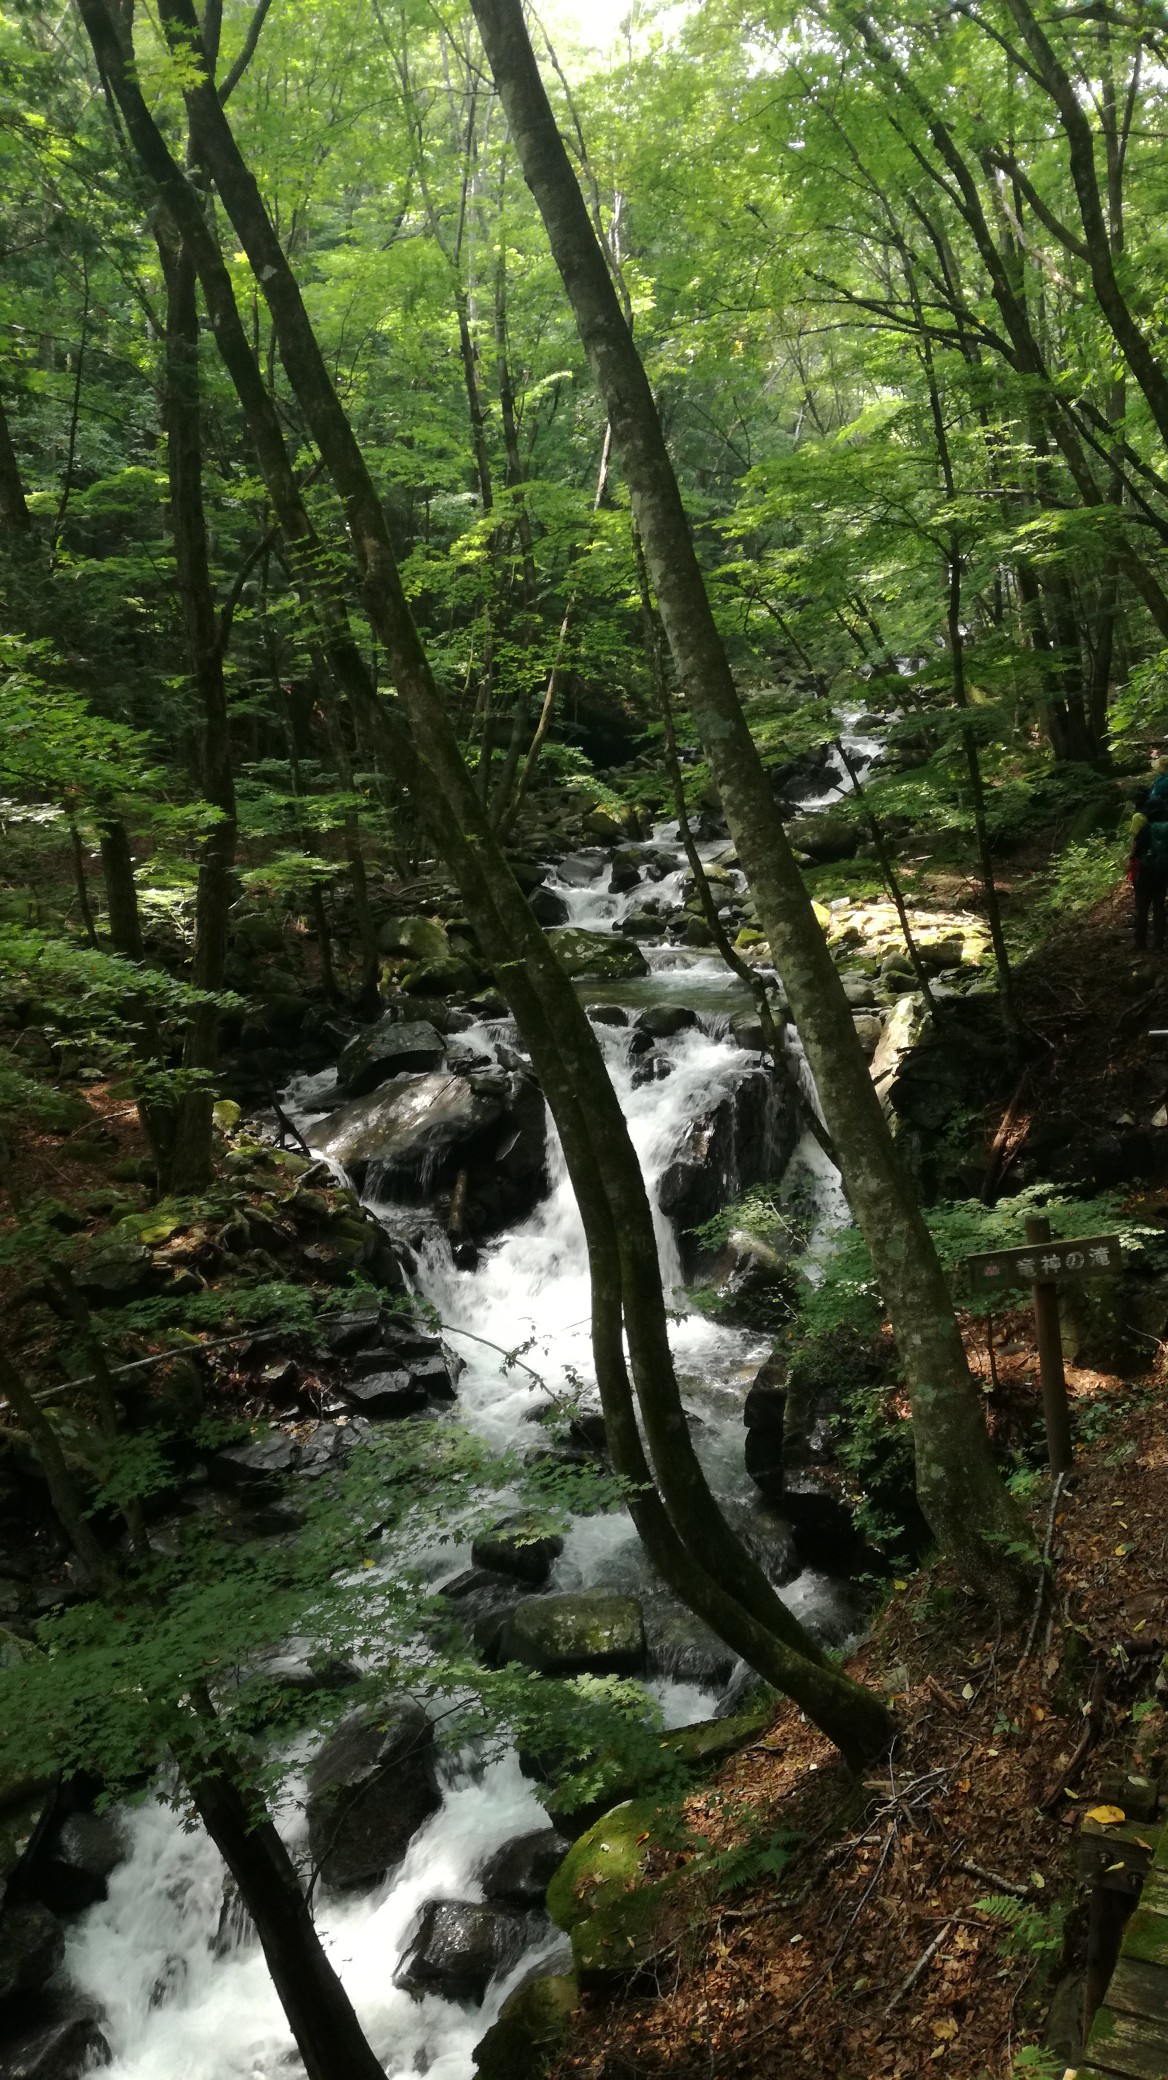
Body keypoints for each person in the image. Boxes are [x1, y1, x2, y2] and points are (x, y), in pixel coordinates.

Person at [1131, 789, 1168, 950]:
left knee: (1142, 908)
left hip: (1146, 872)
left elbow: (1136, 853)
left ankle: (1140, 942)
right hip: (1163, 872)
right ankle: (1159, 943)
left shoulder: (1146, 829)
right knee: (1159, 907)